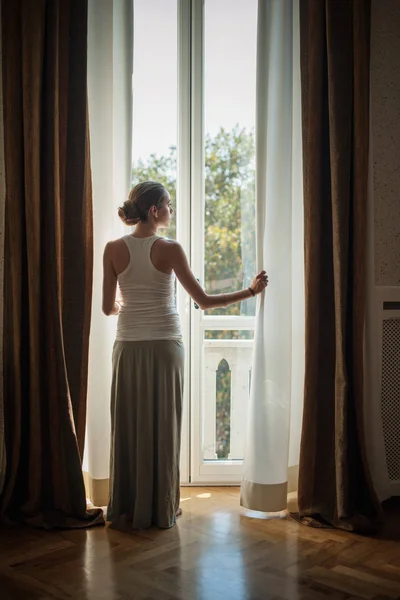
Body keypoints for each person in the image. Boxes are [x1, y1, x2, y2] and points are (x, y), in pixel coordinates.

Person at [102, 181, 268, 530]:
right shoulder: (170, 249)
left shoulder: (112, 249)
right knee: (163, 424)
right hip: (164, 345)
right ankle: (161, 506)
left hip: (127, 346)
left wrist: (129, 307)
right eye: (169, 205)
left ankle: (128, 507)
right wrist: (250, 292)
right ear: (154, 211)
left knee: (128, 425)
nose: (171, 211)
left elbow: (108, 308)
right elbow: (204, 301)